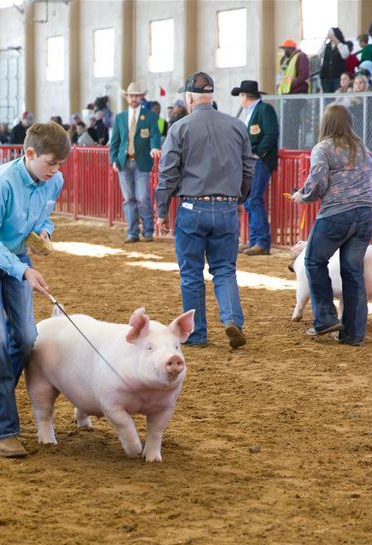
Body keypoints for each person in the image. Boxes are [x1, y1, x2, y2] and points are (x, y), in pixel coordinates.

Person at [0, 122, 69, 458]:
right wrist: (23, 270)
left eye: (60, 165)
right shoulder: (0, 183)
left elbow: (44, 218)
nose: (56, 170)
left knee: (25, 337)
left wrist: (44, 234)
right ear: (30, 154)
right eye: (51, 163)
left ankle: (0, 390)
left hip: (18, 256)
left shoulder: (54, 181)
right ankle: (4, 428)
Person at [155, 72, 254, 349]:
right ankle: (233, 319)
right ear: (212, 96)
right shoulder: (236, 126)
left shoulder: (179, 128)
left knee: (191, 273)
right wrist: (239, 197)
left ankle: (197, 334)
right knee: (224, 270)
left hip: (192, 207)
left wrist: (161, 211)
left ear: (189, 98)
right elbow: (248, 167)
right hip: (226, 208)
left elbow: (167, 174)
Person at [290, 104, 372, 346]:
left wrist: (303, 196)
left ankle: (326, 318)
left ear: (326, 123)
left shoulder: (323, 148)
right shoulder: (362, 148)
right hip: (367, 211)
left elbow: (317, 181)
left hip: (337, 212)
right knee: (353, 271)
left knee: (313, 260)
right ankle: (354, 333)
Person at [109, 82, 162, 243]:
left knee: (143, 197)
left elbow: (154, 135)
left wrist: (154, 147)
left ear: (141, 97)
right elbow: (115, 141)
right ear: (127, 97)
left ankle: (148, 231)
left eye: (137, 95)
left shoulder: (151, 116)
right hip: (123, 162)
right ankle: (132, 232)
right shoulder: (120, 117)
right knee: (129, 199)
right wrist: (113, 159)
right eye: (131, 96)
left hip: (142, 162)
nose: (134, 98)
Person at [232, 80, 278, 257]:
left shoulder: (263, 110)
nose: (240, 99)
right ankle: (254, 240)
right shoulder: (253, 111)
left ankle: (261, 241)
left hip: (259, 161)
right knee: (251, 200)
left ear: (245, 96)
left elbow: (271, 134)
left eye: (241, 96)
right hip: (252, 161)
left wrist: (258, 153)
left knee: (254, 199)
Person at [278, 39, 310, 149]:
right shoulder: (292, 60)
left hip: (297, 95)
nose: (284, 52)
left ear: (289, 48)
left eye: (284, 49)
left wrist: (291, 85)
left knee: (293, 124)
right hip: (290, 96)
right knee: (288, 124)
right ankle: (289, 146)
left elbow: (303, 75)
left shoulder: (301, 57)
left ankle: (293, 147)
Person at [319, 28, 350, 93]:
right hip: (325, 77)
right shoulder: (327, 46)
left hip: (338, 78)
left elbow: (345, 55)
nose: (330, 35)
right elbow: (319, 54)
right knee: (327, 98)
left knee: (338, 96)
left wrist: (336, 40)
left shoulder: (342, 45)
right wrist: (325, 40)